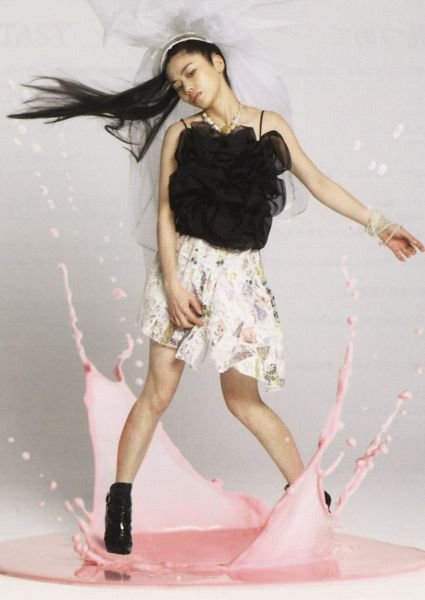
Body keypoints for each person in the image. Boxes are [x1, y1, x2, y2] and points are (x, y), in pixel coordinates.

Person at [7, 37, 424, 557]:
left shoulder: (268, 125)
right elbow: (165, 211)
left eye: (191, 73)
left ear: (218, 63)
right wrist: (173, 283)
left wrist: (380, 226)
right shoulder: (180, 135)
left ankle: (308, 496)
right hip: (185, 270)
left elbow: (317, 182)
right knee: (157, 394)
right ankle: (119, 504)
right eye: (177, 84)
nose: (187, 88)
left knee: (243, 400)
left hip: (239, 279)